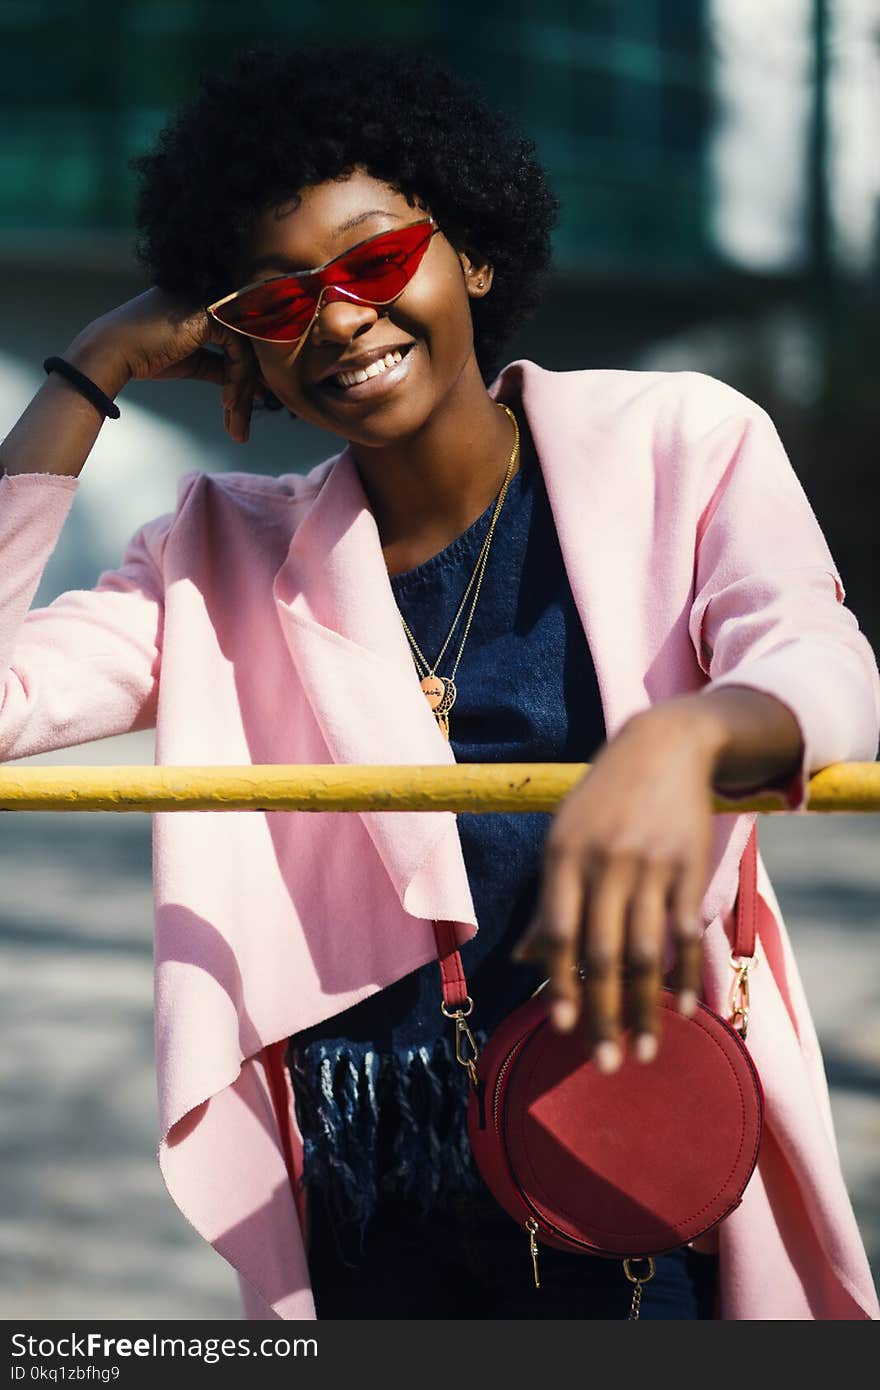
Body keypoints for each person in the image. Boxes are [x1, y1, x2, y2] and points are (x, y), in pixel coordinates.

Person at [1, 45, 878, 1321]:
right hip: (370, 1213)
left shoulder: (680, 442)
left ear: (469, 251)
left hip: (638, 1176)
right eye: (276, 304)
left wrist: (683, 741)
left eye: (370, 263)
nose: (341, 319)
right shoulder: (211, 555)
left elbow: (815, 661)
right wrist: (92, 372)